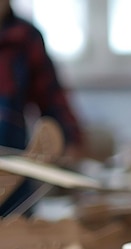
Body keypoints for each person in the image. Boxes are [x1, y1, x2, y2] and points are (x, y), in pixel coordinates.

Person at [0, 0, 84, 215]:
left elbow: (52, 98)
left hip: (15, 163)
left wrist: (70, 139)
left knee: (19, 233)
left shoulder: (26, 38)